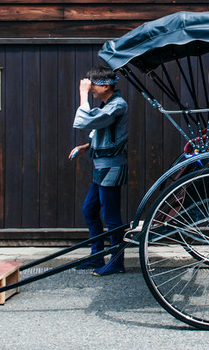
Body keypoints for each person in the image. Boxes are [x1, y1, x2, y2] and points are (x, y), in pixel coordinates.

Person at [69, 65, 129, 276]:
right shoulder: (108, 104)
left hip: (111, 167)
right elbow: (100, 131)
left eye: (93, 84)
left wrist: (82, 94)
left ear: (105, 85)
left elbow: (89, 121)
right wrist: (86, 147)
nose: (90, 88)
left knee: (111, 216)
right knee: (89, 210)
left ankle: (116, 260)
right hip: (101, 168)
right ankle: (97, 257)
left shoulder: (118, 105)